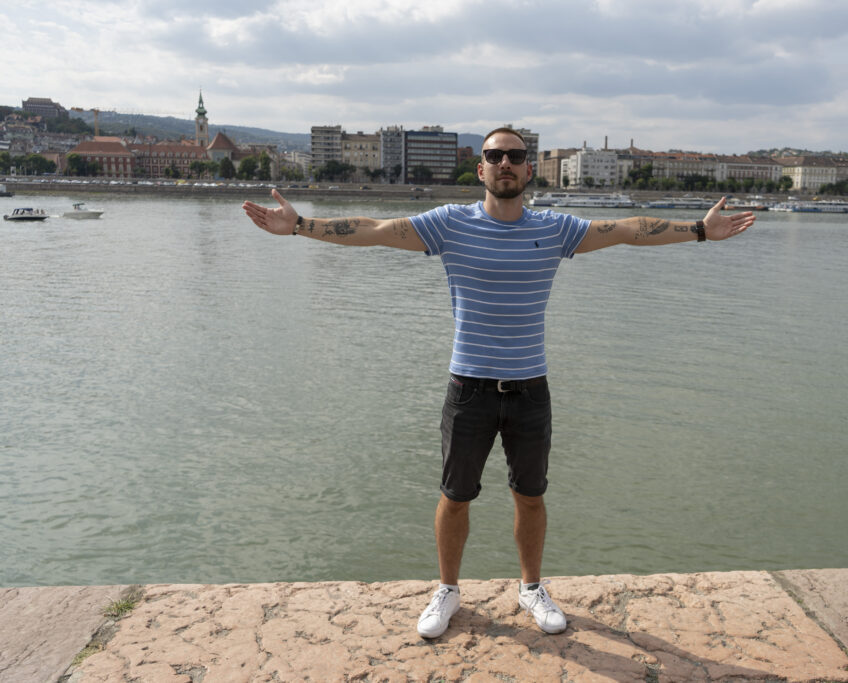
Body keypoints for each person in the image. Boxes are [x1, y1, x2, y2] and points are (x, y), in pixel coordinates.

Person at [242, 127, 755, 639]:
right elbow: (375, 229)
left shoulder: (555, 228)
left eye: (514, 155)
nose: (504, 162)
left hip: (530, 389)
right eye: (494, 155)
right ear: (481, 168)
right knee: (454, 496)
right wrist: (300, 226)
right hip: (468, 388)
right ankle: (447, 590)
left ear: (528, 168)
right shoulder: (449, 224)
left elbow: (626, 228)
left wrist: (699, 229)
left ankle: (531, 588)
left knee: (530, 495)